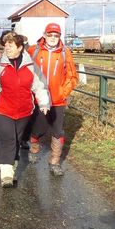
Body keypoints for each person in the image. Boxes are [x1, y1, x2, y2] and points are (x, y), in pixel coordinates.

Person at [0, 31, 50, 187]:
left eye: (11, 46)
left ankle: (12, 168)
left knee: (16, 140)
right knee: (8, 139)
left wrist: (44, 103)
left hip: (24, 111)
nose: (7, 48)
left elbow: (40, 85)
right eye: (6, 46)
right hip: (1, 110)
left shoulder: (31, 66)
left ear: (20, 47)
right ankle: (6, 175)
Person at [27, 23, 78, 176]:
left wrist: (63, 92)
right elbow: (25, 71)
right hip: (38, 99)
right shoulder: (34, 50)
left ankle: (54, 162)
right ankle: (34, 146)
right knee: (39, 128)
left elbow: (72, 76)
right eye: (50, 35)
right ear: (45, 35)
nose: (53, 38)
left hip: (58, 101)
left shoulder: (65, 52)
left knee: (57, 131)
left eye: (56, 35)